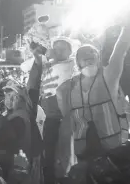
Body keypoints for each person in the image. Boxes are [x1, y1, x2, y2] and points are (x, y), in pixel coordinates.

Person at [55, 15, 130, 179]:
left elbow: (121, 49)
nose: (88, 57)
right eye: (83, 56)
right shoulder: (70, 86)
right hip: (83, 151)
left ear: (98, 58)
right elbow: (66, 117)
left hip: (111, 149)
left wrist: (129, 25)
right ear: (77, 63)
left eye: (92, 54)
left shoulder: (108, 76)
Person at [40, 37, 77, 184]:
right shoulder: (49, 65)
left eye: (62, 49)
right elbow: (24, 67)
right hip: (47, 116)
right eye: (56, 49)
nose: (59, 52)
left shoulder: (71, 65)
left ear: (70, 51)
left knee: (64, 153)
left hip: (63, 116)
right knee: (48, 153)